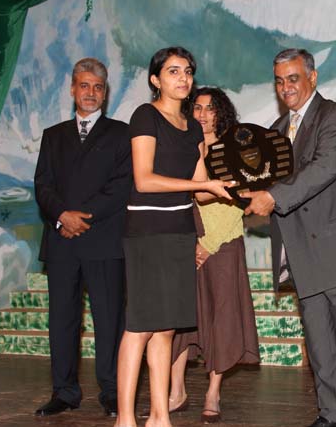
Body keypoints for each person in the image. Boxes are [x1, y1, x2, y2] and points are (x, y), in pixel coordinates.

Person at [241, 49, 336, 427]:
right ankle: (332, 413)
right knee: (320, 343)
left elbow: (322, 168)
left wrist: (272, 196)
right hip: (300, 252)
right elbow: (262, 179)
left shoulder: (334, 116)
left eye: (293, 78)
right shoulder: (274, 131)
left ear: (313, 77)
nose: (286, 86)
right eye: (279, 80)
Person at [114, 47, 232, 427]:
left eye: (188, 72)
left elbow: (197, 189)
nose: (183, 79)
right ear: (155, 79)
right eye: (173, 71)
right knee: (140, 326)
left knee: (165, 329)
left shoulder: (193, 127)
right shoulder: (145, 116)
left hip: (182, 231)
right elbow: (144, 180)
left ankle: (160, 416)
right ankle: (126, 419)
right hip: (148, 232)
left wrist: (232, 185)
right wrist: (203, 184)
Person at [34, 57, 130, 418]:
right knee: (62, 319)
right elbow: (42, 184)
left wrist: (81, 217)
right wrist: (62, 216)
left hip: (103, 239)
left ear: (105, 94)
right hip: (61, 241)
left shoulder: (122, 134)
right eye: (84, 85)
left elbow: (122, 186)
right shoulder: (52, 135)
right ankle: (64, 392)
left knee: (109, 321)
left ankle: (111, 392)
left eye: (98, 87)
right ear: (73, 89)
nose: (91, 92)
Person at [168, 87, 260, 424]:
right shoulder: (182, 147)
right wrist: (188, 240)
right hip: (185, 240)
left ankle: (212, 392)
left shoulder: (235, 148)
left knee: (222, 316)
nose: (203, 114)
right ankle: (176, 390)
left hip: (222, 244)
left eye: (210, 108)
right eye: (197, 108)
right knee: (180, 318)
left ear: (221, 112)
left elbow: (239, 203)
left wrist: (209, 244)